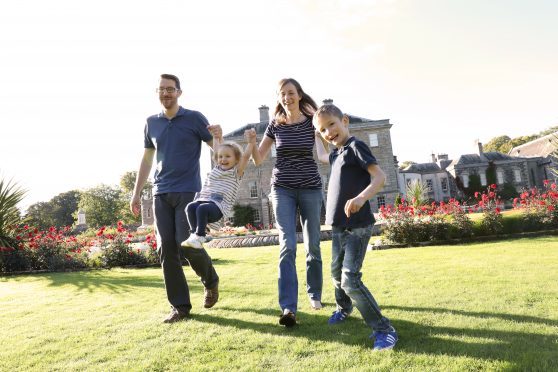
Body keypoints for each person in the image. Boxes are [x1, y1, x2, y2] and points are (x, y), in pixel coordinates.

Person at [130, 73, 221, 323]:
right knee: (165, 249)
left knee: (185, 242)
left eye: (170, 89)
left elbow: (219, 150)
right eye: (161, 89)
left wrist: (220, 137)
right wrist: (136, 192)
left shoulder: (194, 118)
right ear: (157, 92)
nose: (166, 93)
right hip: (161, 191)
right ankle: (180, 306)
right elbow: (147, 159)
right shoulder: (151, 123)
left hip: (189, 189)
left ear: (179, 92)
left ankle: (210, 280)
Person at [313, 103, 398, 350]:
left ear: (345, 121)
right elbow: (321, 155)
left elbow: (379, 177)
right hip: (339, 226)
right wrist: (314, 135)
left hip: (357, 227)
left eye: (332, 125)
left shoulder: (355, 147)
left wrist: (361, 198)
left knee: (350, 279)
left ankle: (384, 329)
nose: (329, 132)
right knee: (336, 274)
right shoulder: (337, 153)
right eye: (323, 130)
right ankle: (344, 307)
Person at [251, 78, 323, 327]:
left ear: (299, 95)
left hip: (311, 187)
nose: (287, 97)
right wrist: (251, 144)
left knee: (313, 243)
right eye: (283, 94)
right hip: (282, 187)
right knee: (287, 244)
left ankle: (314, 293)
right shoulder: (275, 125)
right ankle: (288, 307)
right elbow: (259, 159)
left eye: (291, 93)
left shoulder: (313, 121)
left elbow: (323, 150)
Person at [181, 129, 257, 249]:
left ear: (236, 159)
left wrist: (251, 143)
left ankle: (201, 235)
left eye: (228, 156)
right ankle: (194, 235)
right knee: (190, 207)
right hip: (205, 200)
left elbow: (246, 157)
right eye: (221, 157)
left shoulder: (236, 172)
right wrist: (216, 137)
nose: (223, 159)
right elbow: (217, 150)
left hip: (218, 207)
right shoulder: (216, 169)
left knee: (202, 209)